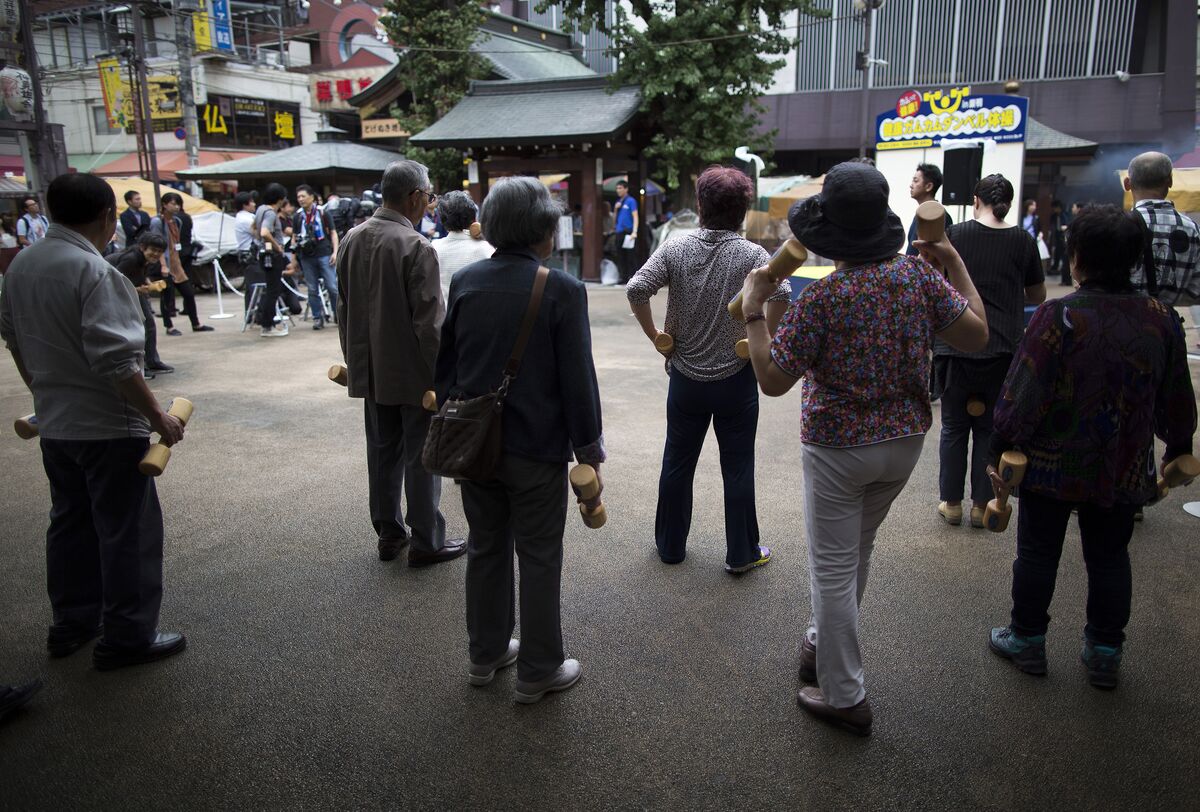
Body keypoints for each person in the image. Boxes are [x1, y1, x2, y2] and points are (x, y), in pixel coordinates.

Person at [739, 161, 989, 736]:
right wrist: (953, 262)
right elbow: (977, 333)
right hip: (903, 441)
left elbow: (773, 378)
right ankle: (821, 643)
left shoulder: (824, 298)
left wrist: (754, 308)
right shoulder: (918, 279)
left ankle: (845, 694)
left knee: (831, 567)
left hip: (837, 447)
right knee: (857, 549)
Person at [986, 205, 1196, 690]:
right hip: (1121, 462)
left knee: (1038, 554)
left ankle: (1028, 640)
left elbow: (1024, 390)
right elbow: (1176, 397)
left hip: (1049, 463)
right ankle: (1105, 652)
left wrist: (1001, 443)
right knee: (1109, 557)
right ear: (1134, 258)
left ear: (1077, 256)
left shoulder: (1057, 315)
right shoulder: (1160, 320)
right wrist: (1177, 446)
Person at [0, 172, 187, 671]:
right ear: (108, 216)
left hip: (56, 425)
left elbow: (14, 340)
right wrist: (158, 418)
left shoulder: (23, 265)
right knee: (127, 532)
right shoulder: (97, 272)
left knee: (70, 523)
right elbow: (118, 363)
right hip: (107, 427)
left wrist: (44, 393)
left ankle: (72, 622)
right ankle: (127, 636)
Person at [435, 176, 604, 703]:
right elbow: (578, 378)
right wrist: (589, 451)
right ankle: (539, 669)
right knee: (538, 554)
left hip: (474, 444)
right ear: (541, 231)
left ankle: (485, 654)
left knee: (486, 546)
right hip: (536, 446)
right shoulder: (561, 289)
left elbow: (447, 369)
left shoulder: (465, 281)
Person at [626, 166, 790, 573]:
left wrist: (655, 336)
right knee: (737, 466)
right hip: (736, 375)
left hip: (685, 376)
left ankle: (670, 547)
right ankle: (741, 553)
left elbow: (636, 288)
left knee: (677, 462)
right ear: (743, 210)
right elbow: (783, 293)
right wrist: (761, 340)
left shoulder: (676, 248)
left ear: (699, 205)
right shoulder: (753, 255)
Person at [336, 160, 465, 567]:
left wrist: (353, 362)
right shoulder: (415, 246)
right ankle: (427, 540)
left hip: (369, 368)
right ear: (414, 197)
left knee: (382, 452)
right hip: (415, 375)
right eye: (428, 197)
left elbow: (344, 309)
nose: (429, 204)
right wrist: (445, 378)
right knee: (422, 457)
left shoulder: (351, 239)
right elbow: (430, 326)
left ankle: (390, 534)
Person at [936, 174, 1045, 528]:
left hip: (957, 345)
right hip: (1002, 350)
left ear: (975, 200)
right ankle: (981, 507)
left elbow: (938, 281)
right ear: (1008, 204)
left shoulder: (956, 235)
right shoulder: (1023, 240)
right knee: (989, 430)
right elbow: (1037, 296)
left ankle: (951, 504)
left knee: (953, 427)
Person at [1124, 151, 1200, 307]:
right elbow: (1196, 291)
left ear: (1127, 184)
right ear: (1170, 181)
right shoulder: (1193, 230)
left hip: (1122, 324)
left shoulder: (1116, 226)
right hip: (1165, 328)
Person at [111, 232, 175, 378]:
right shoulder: (131, 259)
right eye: (153, 250)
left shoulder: (144, 260)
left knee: (149, 325)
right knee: (140, 328)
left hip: (132, 292)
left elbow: (139, 274)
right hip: (118, 295)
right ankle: (140, 367)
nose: (156, 254)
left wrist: (147, 283)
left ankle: (151, 362)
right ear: (142, 247)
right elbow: (114, 283)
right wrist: (138, 289)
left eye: (159, 252)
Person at [150, 193, 212, 336]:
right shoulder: (157, 222)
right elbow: (156, 245)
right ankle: (169, 326)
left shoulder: (177, 221)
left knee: (189, 294)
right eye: (173, 203)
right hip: (165, 263)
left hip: (176, 263)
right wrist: (163, 265)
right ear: (164, 205)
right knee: (167, 296)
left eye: (178, 203)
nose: (176, 206)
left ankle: (195, 323)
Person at [430, 190, 494, 299]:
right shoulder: (487, 249)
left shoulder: (433, 248)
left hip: (444, 314)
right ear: (474, 217)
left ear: (443, 221)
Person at [293, 184, 340, 330]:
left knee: (332, 287)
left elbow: (333, 232)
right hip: (306, 256)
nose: (301, 199)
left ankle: (338, 314)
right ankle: (317, 317)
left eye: (303, 196)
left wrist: (335, 252)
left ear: (311, 197)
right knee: (312, 289)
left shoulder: (322, 213)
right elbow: (294, 237)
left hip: (324, 253)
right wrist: (294, 257)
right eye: (298, 197)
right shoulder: (298, 216)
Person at [253, 184, 292, 338]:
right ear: (280, 198)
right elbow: (264, 232)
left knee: (270, 290)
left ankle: (264, 321)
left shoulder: (260, 209)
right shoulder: (270, 213)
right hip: (272, 256)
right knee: (273, 291)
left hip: (263, 254)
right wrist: (278, 247)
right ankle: (267, 325)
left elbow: (254, 229)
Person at [904, 163, 952, 256]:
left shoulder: (940, 216)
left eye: (916, 181)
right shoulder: (920, 213)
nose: (911, 185)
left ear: (928, 186)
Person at [613, 180, 639, 283]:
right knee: (620, 255)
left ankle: (632, 277)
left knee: (630, 255)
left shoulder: (631, 201)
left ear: (626, 189)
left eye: (620, 188)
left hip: (629, 232)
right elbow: (614, 219)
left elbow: (635, 216)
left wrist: (635, 231)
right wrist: (615, 209)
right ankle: (623, 277)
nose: (618, 190)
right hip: (619, 231)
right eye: (617, 188)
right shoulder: (618, 202)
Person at [1048, 199, 1068, 284]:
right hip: (1056, 237)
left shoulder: (1065, 215)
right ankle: (1055, 269)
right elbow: (1052, 227)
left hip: (1064, 238)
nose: (1054, 210)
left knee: (1064, 258)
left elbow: (1067, 225)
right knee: (1057, 255)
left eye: (1055, 208)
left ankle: (1065, 278)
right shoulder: (1053, 216)